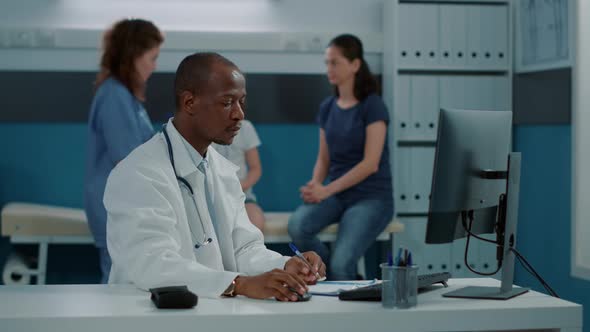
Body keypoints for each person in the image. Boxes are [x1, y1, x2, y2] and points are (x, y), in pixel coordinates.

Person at [104, 52, 326, 300]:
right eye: (227, 102)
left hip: (207, 311)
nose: (239, 114)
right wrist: (237, 284)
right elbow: (153, 263)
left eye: (242, 102)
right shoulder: (140, 172)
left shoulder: (222, 171)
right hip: (146, 314)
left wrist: (286, 265)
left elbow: (244, 248)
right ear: (189, 103)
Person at [288, 34, 394, 280]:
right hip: (337, 194)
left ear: (355, 65)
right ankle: (326, 272)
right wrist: (316, 184)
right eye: (327, 63)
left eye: (335, 62)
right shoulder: (327, 107)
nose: (329, 69)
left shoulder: (373, 105)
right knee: (298, 225)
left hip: (371, 198)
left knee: (343, 261)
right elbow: (324, 158)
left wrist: (326, 190)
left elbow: (370, 164)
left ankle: (342, 285)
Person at [85, 18, 163, 284]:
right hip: (116, 204)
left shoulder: (125, 97)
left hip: (125, 202)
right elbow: (128, 160)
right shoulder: (114, 96)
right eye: (152, 58)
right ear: (133, 57)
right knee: (119, 283)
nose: (155, 66)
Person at [212, 120, 265, 230]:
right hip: (211, 197)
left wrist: (239, 186)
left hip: (243, 196)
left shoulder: (245, 127)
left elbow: (255, 168)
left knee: (256, 219)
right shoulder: (202, 126)